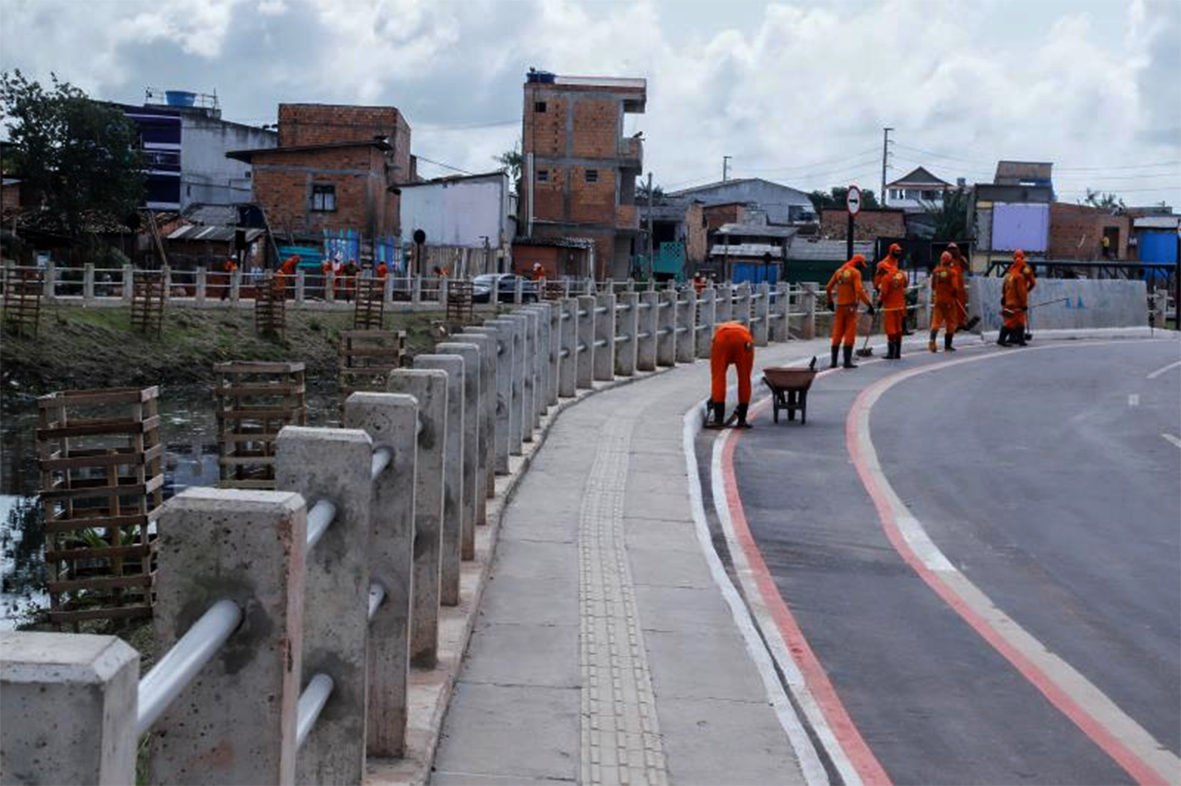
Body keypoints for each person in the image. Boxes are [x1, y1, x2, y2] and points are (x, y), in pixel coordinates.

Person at [825, 254, 874, 369]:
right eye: (861, 266)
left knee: (837, 332)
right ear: (857, 263)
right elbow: (859, 291)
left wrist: (830, 302)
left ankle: (833, 362)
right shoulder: (855, 273)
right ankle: (847, 362)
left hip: (839, 307)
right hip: (850, 308)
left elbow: (828, 287)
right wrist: (869, 304)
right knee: (849, 333)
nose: (862, 268)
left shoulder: (839, 272)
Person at [706, 321, 755, 429]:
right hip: (745, 339)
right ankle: (742, 419)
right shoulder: (744, 330)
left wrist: (714, 398)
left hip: (723, 339)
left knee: (718, 377)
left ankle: (718, 420)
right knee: (745, 379)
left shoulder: (718, 334)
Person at [929, 251, 961, 352]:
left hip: (938, 300)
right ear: (950, 260)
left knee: (936, 322)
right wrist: (955, 295)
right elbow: (955, 288)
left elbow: (933, 286)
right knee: (950, 323)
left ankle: (932, 341)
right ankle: (948, 346)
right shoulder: (952, 272)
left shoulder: (936, 271)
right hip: (949, 302)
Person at [878, 262, 909, 359]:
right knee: (898, 328)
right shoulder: (901, 274)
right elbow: (906, 285)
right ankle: (898, 353)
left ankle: (891, 353)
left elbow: (884, 293)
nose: (880, 274)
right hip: (900, 306)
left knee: (890, 329)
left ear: (883, 269)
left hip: (890, 307)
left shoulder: (885, 278)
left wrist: (879, 301)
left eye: (880, 272)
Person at [999, 252, 1030, 347]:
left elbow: (1003, 289)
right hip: (1016, 304)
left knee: (1020, 321)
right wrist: (1024, 305)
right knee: (1010, 322)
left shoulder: (1008, 276)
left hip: (1008, 302)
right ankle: (1001, 340)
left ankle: (1021, 340)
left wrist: (1004, 298)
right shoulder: (1019, 277)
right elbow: (1022, 293)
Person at [947, 242, 970, 329]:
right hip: (951, 288)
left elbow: (967, 268)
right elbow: (943, 273)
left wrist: (964, 261)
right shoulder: (947, 260)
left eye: (954, 249)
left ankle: (961, 323)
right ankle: (953, 324)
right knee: (952, 307)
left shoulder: (960, 260)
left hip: (960, 288)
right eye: (951, 249)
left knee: (961, 305)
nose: (953, 251)